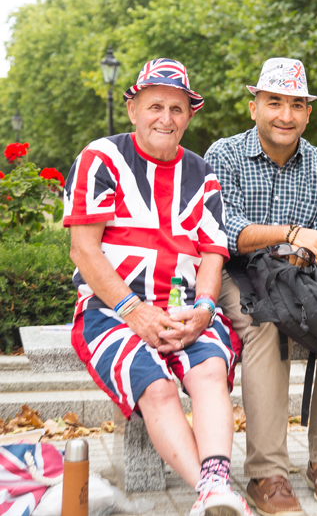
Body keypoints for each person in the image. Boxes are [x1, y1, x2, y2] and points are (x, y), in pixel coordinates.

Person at [64, 59, 250, 516]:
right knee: (159, 387)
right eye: (155, 106)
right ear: (132, 110)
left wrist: (205, 310)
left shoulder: (202, 174)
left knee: (208, 372)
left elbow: (212, 254)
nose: (165, 118)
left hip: (186, 308)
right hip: (112, 310)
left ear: (190, 115)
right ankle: (211, 492)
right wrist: (135, 311)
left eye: (177, 108)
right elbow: (83, 251)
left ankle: (216, 485)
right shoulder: (101, 158)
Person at [206, 58, 317, 516]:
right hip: (235, 272)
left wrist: (302, 254)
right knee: (266, 326)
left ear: (308, 114)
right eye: (274, 102)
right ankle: (267, 472)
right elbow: (222, 228)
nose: (285, 115)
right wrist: (289, 234)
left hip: (299, 274)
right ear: (254, 106)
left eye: (296, 105)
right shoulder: (224, 154)